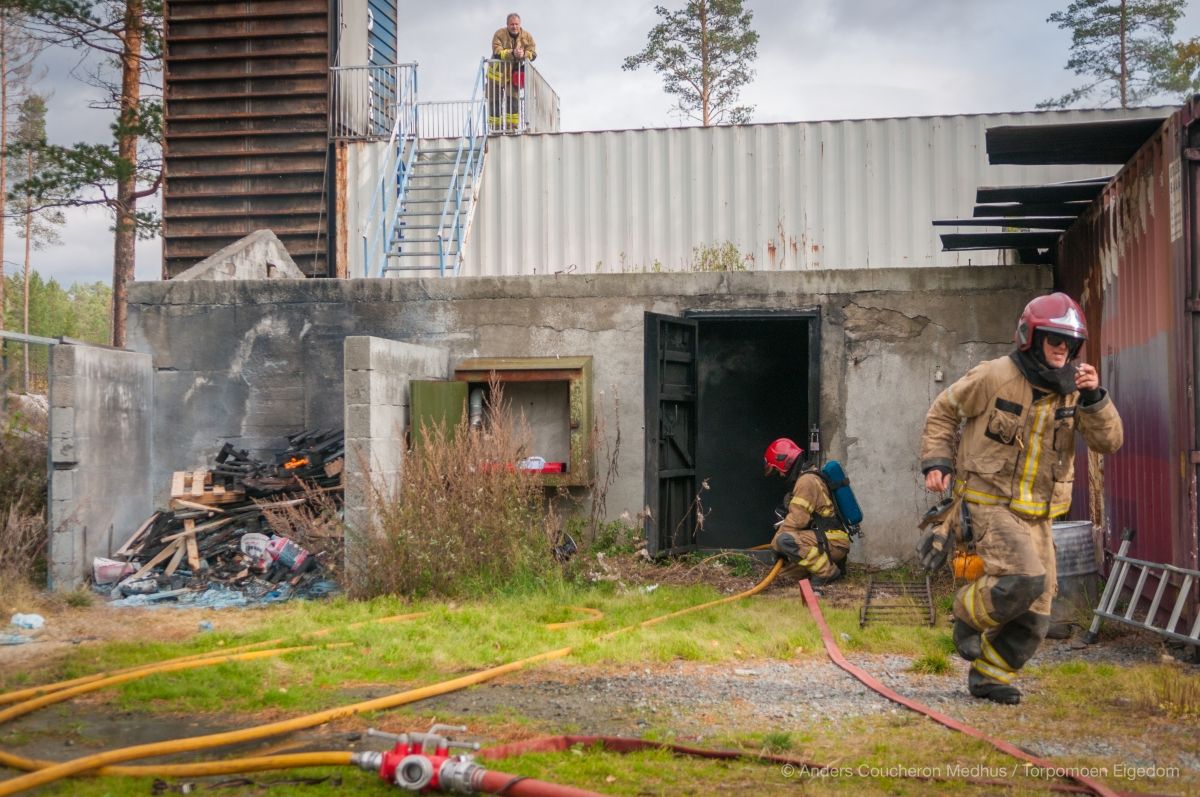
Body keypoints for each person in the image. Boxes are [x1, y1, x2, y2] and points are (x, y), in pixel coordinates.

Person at [917, 292, 1123, 705]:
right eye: (1054, 338)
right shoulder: (995, 376)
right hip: (988, 503)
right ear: (1032, 337)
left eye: (1070, 343)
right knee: (1023, 579)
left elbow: (1109, 442)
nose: (1063, 349)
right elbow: (944, 410)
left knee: (1038, 612)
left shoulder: (1075, 391)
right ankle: (965, 613)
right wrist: (937, 461)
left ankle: (990, 677)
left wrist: (1095, 398)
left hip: (1039, 516)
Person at [763, 438, 850, 589]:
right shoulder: (809, 476)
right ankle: (832, 566)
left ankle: (827, 572)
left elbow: (797, 521)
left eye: (778, 471)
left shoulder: (806, 481)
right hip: (827, 540)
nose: (781, 476)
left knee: (785, 541)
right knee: (782, 575)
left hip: (832, 542)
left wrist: (775, 545)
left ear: (785, 462)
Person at [488, 13, 537, 131]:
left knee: (513, 102)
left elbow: (533, 54)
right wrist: (512, 53)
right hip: (496, 75)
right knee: (495, 102)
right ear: (507, 25)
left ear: (520, 25)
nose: (514, 27)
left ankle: (512, 129)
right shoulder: (499, 34)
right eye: (512, 24)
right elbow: (497, 51)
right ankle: (495, 129)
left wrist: (523, 54)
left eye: (516, 24)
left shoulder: (527, 36)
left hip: (513, 75)